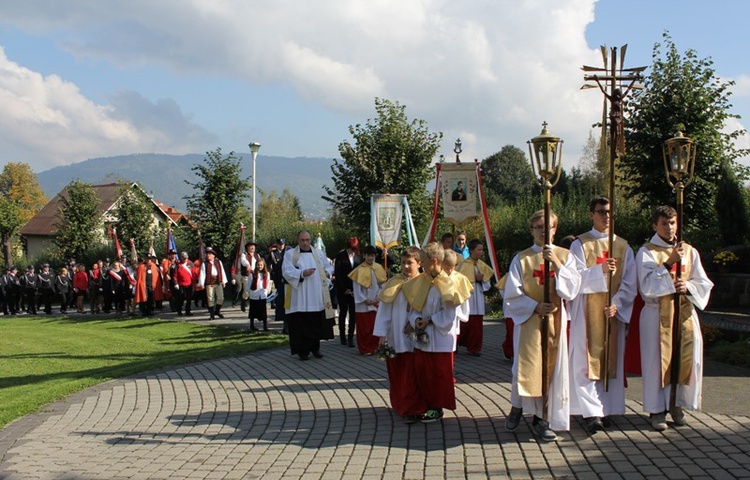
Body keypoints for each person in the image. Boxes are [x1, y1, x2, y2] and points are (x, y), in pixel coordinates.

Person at [503, 209, 581, 442]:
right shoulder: (522, 258)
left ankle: (542, 419)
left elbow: (573, 289)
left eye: (548, 227)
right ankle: (517, 406)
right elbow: (511, 294)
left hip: (556, 322)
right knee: (524, 367)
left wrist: (556, 263)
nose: (543, 231)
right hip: (528, 320)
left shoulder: (566, 256)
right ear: (531, 230)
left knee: (552, 370)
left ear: (555, 229)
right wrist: (534, 306)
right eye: (538, 227)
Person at [636, 205, 713, 431]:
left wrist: (686, 286)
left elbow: (703, 283)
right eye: (663, 223)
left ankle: (677, 404)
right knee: (656, 361)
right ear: (654, 226)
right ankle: (657, 409)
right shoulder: (646, 252)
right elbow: (647, 286)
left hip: (684, 314)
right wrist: (668, 264)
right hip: (656, 315)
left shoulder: (689, 251)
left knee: (683, 358)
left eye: (672, 223)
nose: (669, 228)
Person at [568, 196, 637, 434]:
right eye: (600, 212)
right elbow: (574, 279)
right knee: (585, 363)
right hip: (585, 311)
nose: (606, 216)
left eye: (609, 212)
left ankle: (606, 408)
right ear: (591, 215)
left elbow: (630, 281)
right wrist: (599, 271)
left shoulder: (622, 246)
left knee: (610, 360)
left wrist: (617, 303)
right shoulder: (580, 245)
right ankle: (591, 412)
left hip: (611, 313)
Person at [401, 242, 470, 423]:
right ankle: (422, 404)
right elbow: (415, 307)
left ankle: (436, 408)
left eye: (422, 260)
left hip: (440, 338)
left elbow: (449, 313)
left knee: (438, 376)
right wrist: (415, 319)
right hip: (422, 336)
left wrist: (430, 320)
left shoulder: (448, 284)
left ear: (433, 261)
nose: (420, 263)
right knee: (421, 373)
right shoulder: (421, 281)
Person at [373, 246, 426, 424]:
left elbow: (428, 308)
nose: (405, 266)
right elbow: (384, 311)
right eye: (403, 262)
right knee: (398, 372)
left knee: (413, 373)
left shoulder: (425, 283)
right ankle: (400, 404)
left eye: (409, 263)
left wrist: (415, 324)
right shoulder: (394, 283)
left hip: (416, 335)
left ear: (419, 263)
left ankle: (413, 408)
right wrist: (381, 335)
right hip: (395, 335)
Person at [282, 230, 335, 361]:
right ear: (297, 241)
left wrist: (327, 273)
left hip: (315, 295)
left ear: (310, 240)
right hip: (299, 295)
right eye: (302, 240)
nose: (305, 243)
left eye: (307, 240)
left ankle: (315, 348)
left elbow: (329, 266)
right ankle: (302, 351)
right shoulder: (290, 254)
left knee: (315, 323)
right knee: (300, 324)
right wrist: (301, 274)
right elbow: (287, 271)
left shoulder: (318, 253)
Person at [456, 239, 495, 357]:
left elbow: (487, 284)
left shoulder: (482, 265)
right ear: (472, 250)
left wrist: (481, 280)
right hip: (468, 298)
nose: (481, 252)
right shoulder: (463, 265)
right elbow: (460, 283)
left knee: (477, 325)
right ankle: (457, 342)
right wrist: (474, 278)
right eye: (479, 249)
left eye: (482, 249)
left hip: (478, 296)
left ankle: (474, 348)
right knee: (465, 323)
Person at [348, 245, 387, 355]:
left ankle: (375, 347)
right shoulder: (358, 270)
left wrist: (377, 298)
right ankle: (364, 348)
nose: (370, 258)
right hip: (363, 305)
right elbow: (356, 289)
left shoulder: (378, 268)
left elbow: (383, 285)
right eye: (368, 255)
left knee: (375, 326)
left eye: (372, 255)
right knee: (364, 328)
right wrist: (365, 300)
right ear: (364, 255)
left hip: (376, 302)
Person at [333, 237, 362, 347]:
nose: (352, 251)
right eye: (350, 249)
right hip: (343, 289)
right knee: (343, 312)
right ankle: (342, 336)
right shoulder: (341, 256)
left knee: (353, 314)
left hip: (355, 290)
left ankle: (350, 337)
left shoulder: (359, 257)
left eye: (354, 249)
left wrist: (356, 289)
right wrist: (344, 288)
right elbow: (338, 274)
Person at [199, 247, 227, 320]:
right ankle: (212, 314)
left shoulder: (218, 262)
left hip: (218, 282)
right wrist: (201, 283)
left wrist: (223, 281)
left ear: (213, 255)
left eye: (210, 254)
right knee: (210, 298)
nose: (208, 255)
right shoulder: (204, 264)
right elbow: (202, 274)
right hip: (210, 283)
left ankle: (217, 311)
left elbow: (222, 271)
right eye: (207, 254)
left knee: (221, 297)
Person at [246, 257, 274, 331]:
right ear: (256, 265)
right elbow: (248, 284)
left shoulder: (266, 274)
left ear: (264, 265)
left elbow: (268, 284)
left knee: (263, 312)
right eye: (258, 265)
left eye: (261, 265)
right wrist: (250, 293)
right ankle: (252, 325)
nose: (260, 266)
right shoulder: (252, 274)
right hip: (254, 294)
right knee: (253, 311)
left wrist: (266, 292)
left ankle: (265, 326)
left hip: (262, 295)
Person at [269, 238, 289, 331]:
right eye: (280, 244)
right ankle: (285, 325)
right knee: (282, 305)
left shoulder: (288, 253)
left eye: (283, 244)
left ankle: (287, 325)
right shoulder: (273, 254)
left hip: (289, 283)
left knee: (288, 304)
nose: (281, 246)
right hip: (280, 283)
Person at [238, 242, 261, 312]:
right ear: (247, 247)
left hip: (256, 275)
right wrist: (248, 265)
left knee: (256, 290)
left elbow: (260, 262)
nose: (252, 248)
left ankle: (254, 306)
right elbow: (243, 261)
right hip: (247, 275)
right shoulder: (244, 254)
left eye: (253, 246)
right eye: (251, 246)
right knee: (246, 291)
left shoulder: (257, 255)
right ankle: (243, 302)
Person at [173, 252, 194, 316]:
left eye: (186, 258)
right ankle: (179, 310)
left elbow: (194, 273)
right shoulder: (177, 265)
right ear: (181, 258)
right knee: (180, 298)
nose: (185, 259)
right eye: (184, 258)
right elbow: (175, 275)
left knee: (189, 298)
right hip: (181, 284)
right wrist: (175, 283)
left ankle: (188, 311)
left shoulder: (190, 263)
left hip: (189, 284)